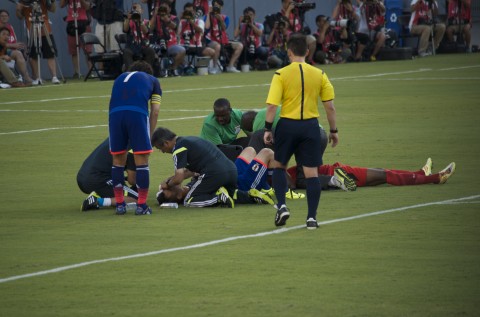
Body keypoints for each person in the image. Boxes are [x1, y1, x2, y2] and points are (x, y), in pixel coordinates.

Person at [264, 33, 338, 230]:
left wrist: (268, 128)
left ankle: (281, 206)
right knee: (311, 174)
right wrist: (333, 130)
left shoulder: (281, 74)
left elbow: (272, 106)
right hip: (310, 127)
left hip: (288, 125)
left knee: (279, 166)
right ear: (307, 51)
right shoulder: (320, 74)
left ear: (288, 52)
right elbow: (330, 106)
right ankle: (311, 218)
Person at [152, 127, 273, 208]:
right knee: (233, 194)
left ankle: (219, 198)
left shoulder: (178, 148)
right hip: (231, 169)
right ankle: (249, 197)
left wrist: (168, 184)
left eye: (160, 148)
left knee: (189, 200)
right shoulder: (189, 139)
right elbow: (188, 172)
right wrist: (170, 180)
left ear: (166, 143)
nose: (162, 152)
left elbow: (179, 178)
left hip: (216, 174)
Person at [108, 60, 162, 215]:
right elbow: (156, 110)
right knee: (141, 161)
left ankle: (119, 204)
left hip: (115, 116)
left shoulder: (119, 78)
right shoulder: (153, 80)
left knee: (117, 161)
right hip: (136, 115)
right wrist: (149, 134)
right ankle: (142, 206)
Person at [287, 158, 456, 188]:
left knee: (383, 174)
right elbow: (295, 183)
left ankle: (420, 173)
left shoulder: (280, 174)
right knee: (384, 175)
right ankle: (435, 178)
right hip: (339, 173)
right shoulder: (286, 179)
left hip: (336, 171)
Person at [78, 138, 138, 211]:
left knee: (125, 187)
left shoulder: (119, 134)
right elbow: (132, 180)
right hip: (97, 179)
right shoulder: (134, 145)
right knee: (137, 198)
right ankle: (97, 200)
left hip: (83, 176)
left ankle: (100, 194)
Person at [16, 0, 61, 85]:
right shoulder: (24, 1)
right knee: (33, 55)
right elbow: (20, 17)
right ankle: (37, 77)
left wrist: (53, 1)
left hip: (45, 29)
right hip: (32, 30)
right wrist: (18, 9)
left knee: (50, 54)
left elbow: (53, 9)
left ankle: (54, 77)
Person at [204, 0, 243, 73]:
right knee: (217, 46)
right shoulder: (208, 16)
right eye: (215, 6)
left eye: (218, 6)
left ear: (221, 7)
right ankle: (214, 67)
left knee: (239, 46)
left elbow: (224, 28)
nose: (216, 8)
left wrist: (221, 20)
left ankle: (230, 66)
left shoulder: (225, 17)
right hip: (211, 40)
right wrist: (209, 13)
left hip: (223, 40)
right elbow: (206, 27)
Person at [177, 2, 216, 72]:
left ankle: (199, 67)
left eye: (191, 11)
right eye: (187, 12)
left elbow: (200, 30)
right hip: (183, 45)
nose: (189, 13)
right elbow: (178, 34)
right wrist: (182, 19)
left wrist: (192, 22)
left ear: (194, 12)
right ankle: (185, 66)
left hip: (196, 45)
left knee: (212, 52)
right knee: (176, 51)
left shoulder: (199, 21)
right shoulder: (182, 21)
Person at [149, 1, 185, 76]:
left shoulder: (174, 18)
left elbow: (174, 27)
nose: (163, 10)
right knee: (150, 51)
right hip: (158, 44)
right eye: (162, 8)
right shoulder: (156, 18)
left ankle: (173, 69)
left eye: (166, 8)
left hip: (171, 45)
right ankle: (157, 72)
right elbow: (150, 28)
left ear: (170, 9)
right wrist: (155, 15)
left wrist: (166, 18)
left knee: (182, 50)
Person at [60, 0, 93, 78]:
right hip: (71, 22)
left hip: (83, 21)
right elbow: (61, 5)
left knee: (87, 49)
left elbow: (88, 6)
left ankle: (91, 71)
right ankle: (77, 72)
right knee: (73, 50)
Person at [279, 0, 316, 64]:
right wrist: (288, 10)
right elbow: (284, 23)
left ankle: (308, 61)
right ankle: (292, 61)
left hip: (300, 34)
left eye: (292, 3)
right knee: (289, 37)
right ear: (284, 3)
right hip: (289, 36)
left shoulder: (296, 12)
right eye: (289, 3)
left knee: (312, 39)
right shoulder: (280, 14)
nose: (292, 4)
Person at [122, 3, 156, 71]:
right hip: (131, 46)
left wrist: (140, 21)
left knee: (151, 51)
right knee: (126, 52)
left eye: (138, 8)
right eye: (134, 9)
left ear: (142, 11)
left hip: (143, 46)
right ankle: (131, 72)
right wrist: (128, 19)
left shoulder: (147, 22)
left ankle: (147, 71)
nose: (136, 10)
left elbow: (146, 31)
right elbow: (125, 30)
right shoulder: (128, 21)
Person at [234, 7, 268, 71]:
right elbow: (235, 35)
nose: (249, 17)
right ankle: (247, 64)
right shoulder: (242, 26)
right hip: (246, 49)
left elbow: (260, 34)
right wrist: (239, 22)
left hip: (257, 48)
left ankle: (262, 64)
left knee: (263, 50)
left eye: (251, 15)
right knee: (242, 51)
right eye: (247, 15)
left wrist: (251, 25)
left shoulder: (259, 25)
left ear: (254, 15)